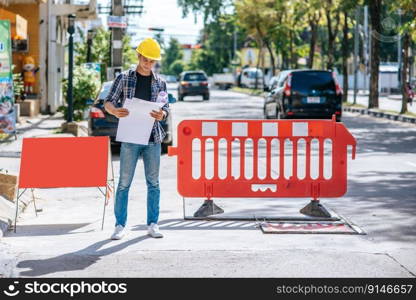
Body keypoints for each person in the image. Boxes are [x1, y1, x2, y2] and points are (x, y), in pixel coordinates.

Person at [104, 38, 169, 240]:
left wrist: (162, 115)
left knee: (154, 183)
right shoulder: (124, 78)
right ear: (138, 56)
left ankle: (153, 224)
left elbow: (166, 107)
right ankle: (120, 225)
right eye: (146, 59)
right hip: (130, 138)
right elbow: (108, 102)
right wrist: (115, 111)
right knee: (124, 183)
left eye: (152, 61)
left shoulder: (160, 82)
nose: (148, 64)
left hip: (152, 139)